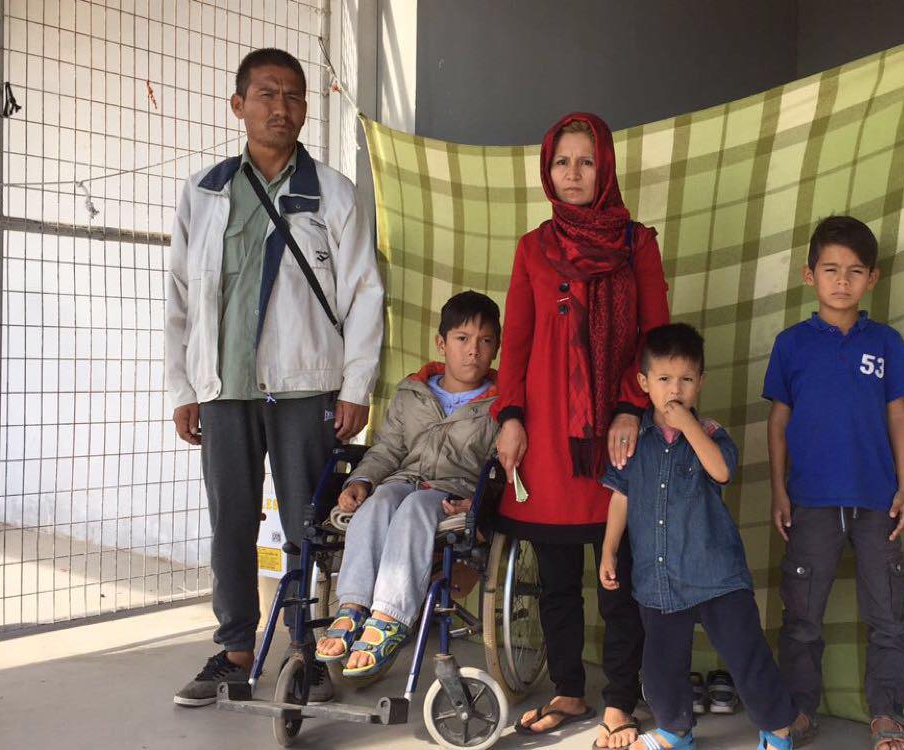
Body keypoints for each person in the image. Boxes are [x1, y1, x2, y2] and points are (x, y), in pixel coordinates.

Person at [165, 48, 384, 706]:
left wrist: (354, 387)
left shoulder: (333, 193)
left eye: (293, 96)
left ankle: (308, 651)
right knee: (229, 518)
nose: (281, 107)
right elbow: (179, 296)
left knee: (307, 523)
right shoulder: (203, 193)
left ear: (306, 109)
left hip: (304, 386)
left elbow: (365, 293)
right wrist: (184, 388)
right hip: (225, 388)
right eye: (266, 94)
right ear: (239, 106)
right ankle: (233, 650)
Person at [494, 112, 670, 749]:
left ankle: (621, 698)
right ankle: (569, 689)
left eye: (586, 161)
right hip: (546, 438)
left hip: (619, 439)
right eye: (562, 162)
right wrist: (509, 417)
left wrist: (630, 405)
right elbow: (515, 344)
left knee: (620, 575)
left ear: (607, 168)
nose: (573, 174)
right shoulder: (532, 247)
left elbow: (655, 340)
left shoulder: (637, 244)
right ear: (548, 169)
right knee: (558, 577)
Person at [599, 323, 796, 750]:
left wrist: (687, 423)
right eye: (665, 379)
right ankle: (675, 730)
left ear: (700, 383)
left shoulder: (709, 433)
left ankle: (777, 730)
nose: (675, 389)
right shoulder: (633, 441)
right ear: (643, 383)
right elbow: (620, 497)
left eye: (686, 380)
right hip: (658, 577)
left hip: (716, 573)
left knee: (747, 654)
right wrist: (609, 550)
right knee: (661, 664)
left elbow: (721, 471)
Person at [763, 216, 904, 750]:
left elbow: (898, 416)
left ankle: (886, 713)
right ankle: (800, 710)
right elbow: (778, 422)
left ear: (872, 279)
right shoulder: (791, 346)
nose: (842, 281)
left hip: (878, 502)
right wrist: (779, 490)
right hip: (810, 502)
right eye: (831, 270)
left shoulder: (887, 343)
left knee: (888, 615)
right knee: (802, 617)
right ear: (810, 275)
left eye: (855, 272)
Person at [314, 291, 501, 678]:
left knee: (415, 507)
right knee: (379, 501)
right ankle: (352, 606)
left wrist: (481, 506)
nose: (473, 352)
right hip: (404, 481)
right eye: (462, 339)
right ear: (442, 343)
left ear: (496, 347)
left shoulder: (500, 404)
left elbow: (501, 467)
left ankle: (390, 616)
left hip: (454, 491)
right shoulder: (413, 392)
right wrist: (361, 480)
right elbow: (387, 449)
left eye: (485, 341)